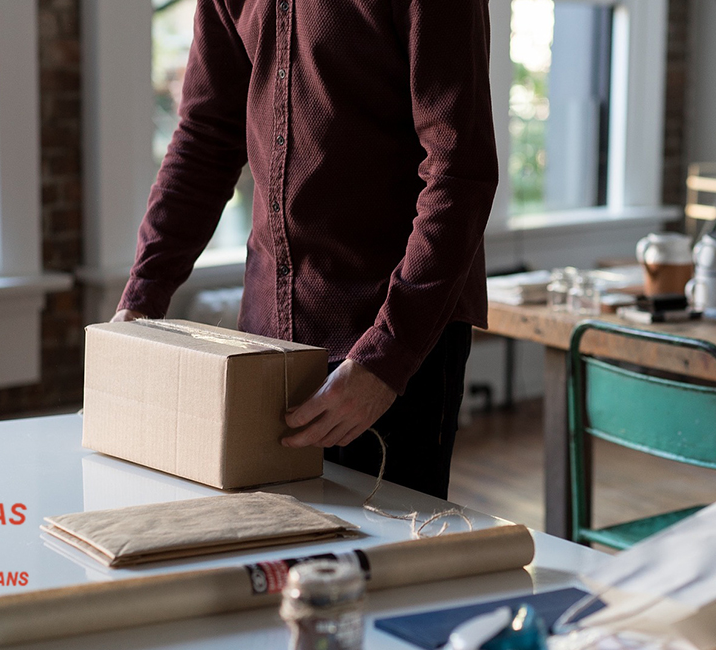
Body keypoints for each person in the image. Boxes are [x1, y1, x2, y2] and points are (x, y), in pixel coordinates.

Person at [111, 1, 499, 500]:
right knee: (268, 560)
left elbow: (459, 172)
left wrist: (386, 358)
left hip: (393, 344)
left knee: (381, 569)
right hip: (265, 345)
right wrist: (141, 299)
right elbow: (205, 138)